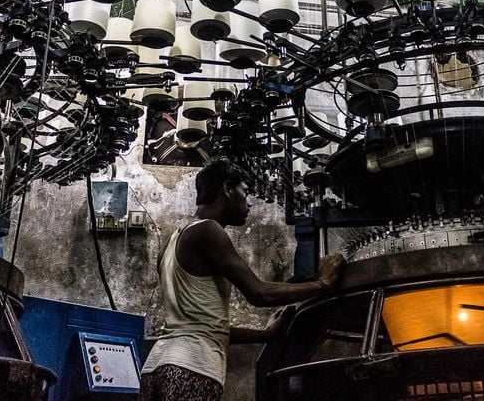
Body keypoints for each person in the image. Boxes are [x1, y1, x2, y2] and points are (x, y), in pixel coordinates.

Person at [139, 158, 346, 401]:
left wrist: (263, 334)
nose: (249, 203)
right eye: (245, 192)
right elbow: (258, 293)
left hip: (156, 366)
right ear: (227, 189)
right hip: (191, 366)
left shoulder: (172, 240)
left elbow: (201, 326)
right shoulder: (208, 230)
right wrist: (322, 284)